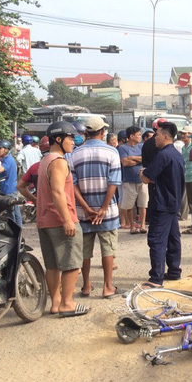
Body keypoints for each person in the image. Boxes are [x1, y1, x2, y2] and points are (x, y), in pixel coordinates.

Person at [37, 121, 89, 317]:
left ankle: (56, 303)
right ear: (58, 139)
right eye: (70, 138)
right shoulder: (58, 161)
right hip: (60, 219)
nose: (73, 142)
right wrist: (67, 220)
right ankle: (67, 303)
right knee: (72, 263)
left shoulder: (45, 160)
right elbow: (58, 192)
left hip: (45, 220)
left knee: (52, 265)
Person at [70, 116, 124, 299]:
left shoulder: (75, 154)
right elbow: (114, 182)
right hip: (106, 211)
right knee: (108, 248)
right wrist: (103, 208)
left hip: (83, 212)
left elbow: (73, 185)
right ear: (102, 132)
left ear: (85, 133)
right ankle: (108, 286)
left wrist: (86, 207)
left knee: (85, 251)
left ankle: (86, 286)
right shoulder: (112, 152)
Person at [139, 121, 185, 286]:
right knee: (173, 238)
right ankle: (174, 271)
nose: (154, 138)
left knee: (157, 240)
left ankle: (156, 278)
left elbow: (146, 178)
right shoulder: (176, 154)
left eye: (157, 134)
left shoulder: (163, 155)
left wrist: (141, 172)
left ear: (165, 136)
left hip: (162, 203)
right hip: (173, 202)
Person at [118, 126, 148, 235]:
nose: (140, 137)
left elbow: (145, 158)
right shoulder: (123, 148)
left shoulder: (142, 146)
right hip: (128, 180)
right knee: (129, 205)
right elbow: (125, 162)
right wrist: (139, 160)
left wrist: (132, 158)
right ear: (131, 136)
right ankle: (132, 226)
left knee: (143, 203)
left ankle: (143, 225)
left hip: (142, 180)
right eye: (138, 135)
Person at [0, 139, 22, 226]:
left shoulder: (9, 159)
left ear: (6, 149)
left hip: (10, 189)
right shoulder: (3, 159)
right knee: (10, 211)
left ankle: (18, 228)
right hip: (5, 188)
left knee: (13, 211)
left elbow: (0, 169)